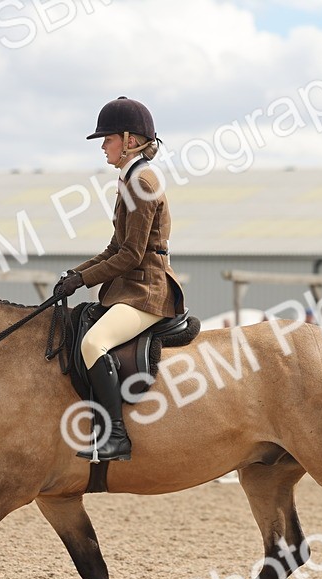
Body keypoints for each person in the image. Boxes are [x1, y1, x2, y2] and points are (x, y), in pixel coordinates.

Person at [52, 97, 185, 462]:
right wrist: (76, 274)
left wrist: (83, 282)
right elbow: (115, 247)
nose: (103, 146)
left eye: (107, 138)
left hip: (148, 291)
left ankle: (115, 435)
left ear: (129, 140)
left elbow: (131, 255)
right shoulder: (130, 180)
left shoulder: (142, 182)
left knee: (93, 344)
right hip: (131, 287)